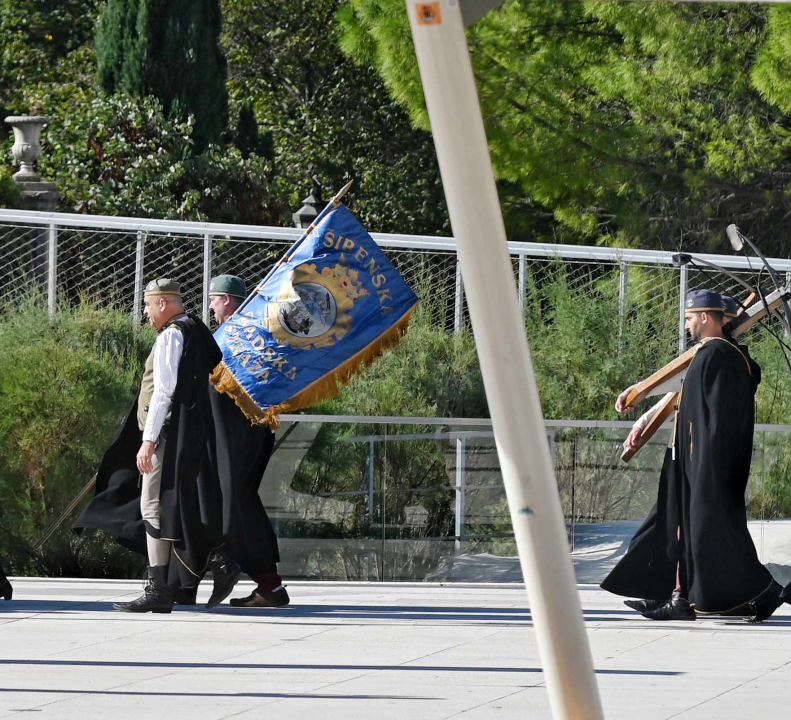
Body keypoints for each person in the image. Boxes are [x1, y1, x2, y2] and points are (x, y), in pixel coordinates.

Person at [602, 289, 785, 622]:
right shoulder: (712, 354)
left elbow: (719, 421)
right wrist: (644, 416)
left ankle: (759, 592)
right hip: (692, 459)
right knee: (683, 527)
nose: (686, 325)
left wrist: (707, 467)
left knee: (706, 531)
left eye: (689, 318)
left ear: (704, 317)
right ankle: (681, 598)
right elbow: (682, 391)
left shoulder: (720, 356)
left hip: (706, 463)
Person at [74, 279, 241, 613]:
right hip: (191, 435)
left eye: (147, 305)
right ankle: (203, 567)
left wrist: (148, 441)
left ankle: (166, 586)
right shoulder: (196, 329)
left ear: (162, 303)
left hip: (167, 436)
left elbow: (163, 392)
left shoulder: (170, 337)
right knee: (176, 506)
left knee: (152, 506)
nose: (146, 313)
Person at [206, 275, 288, 608]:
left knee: (236, 502)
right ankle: (268, 585)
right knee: (235, 502)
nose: (210, 306)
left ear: (227, 300)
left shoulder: (240, 335)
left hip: (240, 435)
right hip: (237, 434)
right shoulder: (247, 333)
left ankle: (266, 583)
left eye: (213, 299)